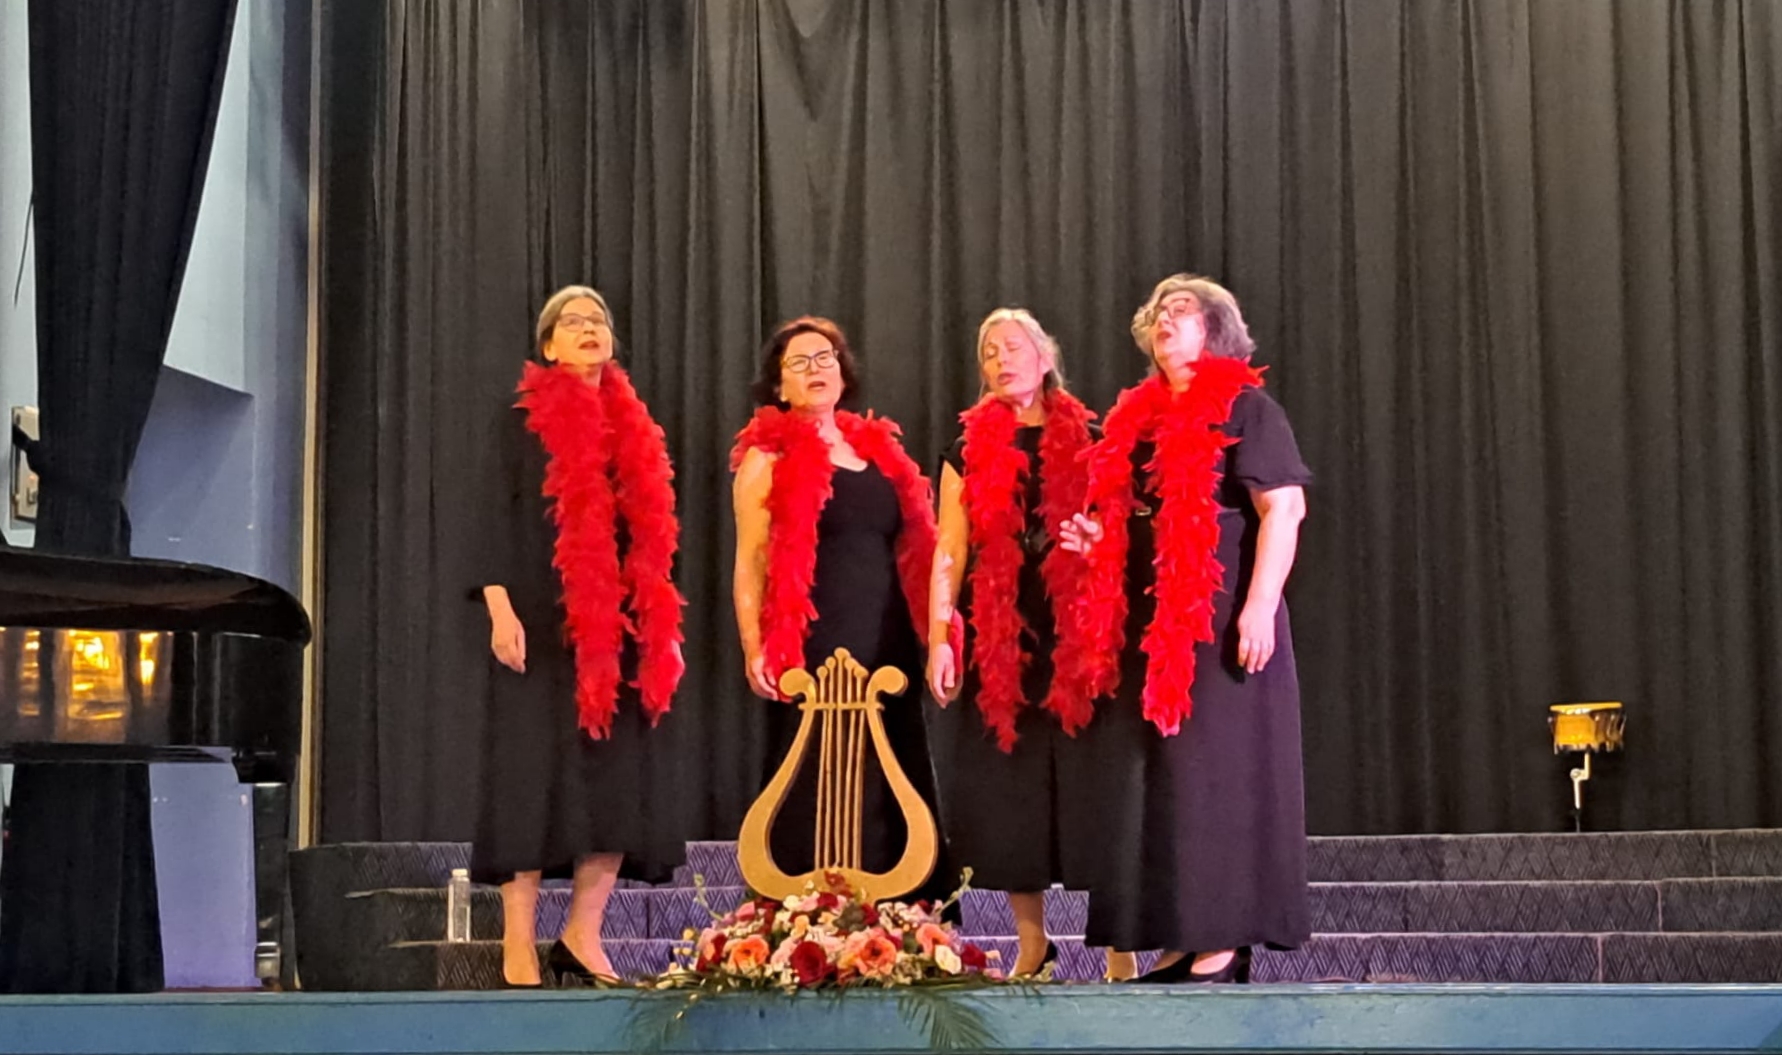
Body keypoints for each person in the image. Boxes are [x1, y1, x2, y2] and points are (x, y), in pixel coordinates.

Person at [1061, 274, 1311, 983]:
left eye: (1183, 310)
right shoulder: (1137, 421)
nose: (1165, 319)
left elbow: (1284, 509)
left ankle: (1222, 940)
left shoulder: (1247, 408)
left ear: (1216, 330)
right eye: (1159, 311)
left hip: (1219, 613)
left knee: (1216, 774)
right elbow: (1132, 520)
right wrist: (1099, 544)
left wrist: (1260, 604)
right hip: (1149, 624)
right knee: (1160, 776)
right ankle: (1177, 935)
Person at [472, 285, 687, 988]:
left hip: (620, 630)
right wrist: (499, 606)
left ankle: (582, 935)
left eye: (598, 320)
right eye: (573, 321)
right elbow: (491, 515)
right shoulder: (521, 422)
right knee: (528, 777)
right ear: (549, 346)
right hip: (540, 615)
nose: (590, 328)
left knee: (618, 782)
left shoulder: (636, 428)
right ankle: (518, 941)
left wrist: (662, 630)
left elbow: (654, 541)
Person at [731, 316, 952, 903]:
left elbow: (920, 547)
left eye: (825, 357)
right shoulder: (766, 458)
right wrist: (755, 645)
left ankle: (898, 913)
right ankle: (809, 910)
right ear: (779, 386)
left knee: (890, 765)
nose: (816, 369)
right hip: (812, 637)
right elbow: (750, 560)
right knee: (817, 768)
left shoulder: (880, 453)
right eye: (799, 362)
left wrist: (936, 630)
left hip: (887, 636)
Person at [925, 308, 1100, 977]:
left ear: (1045, 357)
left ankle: (1114, 948)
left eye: (1014, 347)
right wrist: (941, 635)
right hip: (1001, 631)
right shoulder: (966, 449)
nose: (1001, 359)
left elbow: (1117, 533)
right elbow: (949, 548)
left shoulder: (1092, 438)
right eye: (989, 352)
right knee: (1010, 784)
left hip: (1080, 626)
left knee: (1091, 782)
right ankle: (1034, 941)